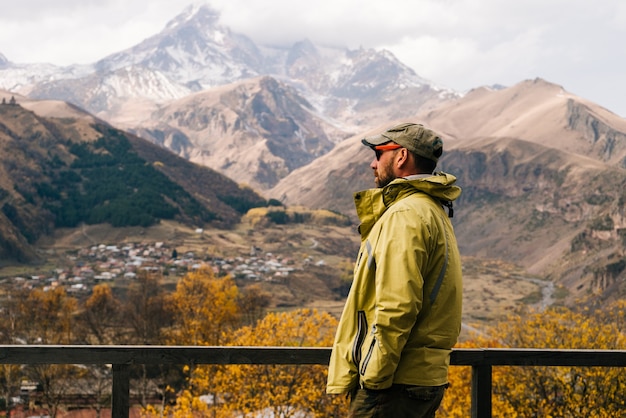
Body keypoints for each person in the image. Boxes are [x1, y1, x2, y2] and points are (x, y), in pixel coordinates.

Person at [327, 122, 463, 417]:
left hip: (394, 383)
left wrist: (374, 378)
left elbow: (397, 305)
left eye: (379, 153)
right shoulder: (431, 209)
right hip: (421, 378)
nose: (372, 163)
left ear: (400, 157)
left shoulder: (404, 214)